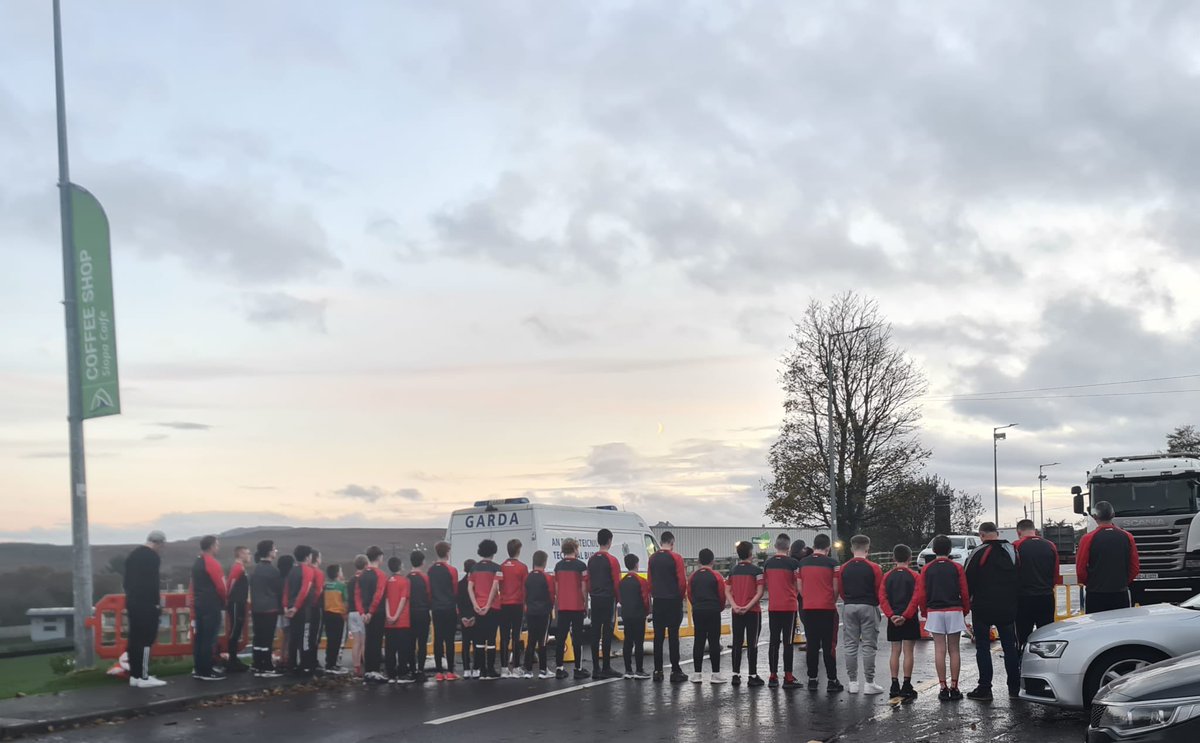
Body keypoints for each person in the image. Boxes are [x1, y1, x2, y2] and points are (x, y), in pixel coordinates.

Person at [964, 522, 1021, 701]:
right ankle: (1014, 687)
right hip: (1007, 606)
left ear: (981, 535)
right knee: (1010, 647)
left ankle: (985, 688)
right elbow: (1019, 574)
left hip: (982, 607)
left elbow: (967, 579)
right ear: (997, 533)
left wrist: (968, 602)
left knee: (982, 647)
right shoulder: (1012, 551)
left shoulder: (977, 552)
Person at [921, 534, 970, 702]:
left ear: (934, 550)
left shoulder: (927, 569)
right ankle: (955, 687)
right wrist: (965, 610)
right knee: (954, 649)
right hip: (954, 609)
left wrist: (924, 612)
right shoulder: (957, 568)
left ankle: (943, 687)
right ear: (950, 550)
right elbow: (964, 591)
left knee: (939, 649)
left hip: (934, 610)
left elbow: (922, 592)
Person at [1077, 501, 1140, 613]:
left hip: (1095, 594)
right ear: (1113, 515)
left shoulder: (1088, 538)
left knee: (1097, 623)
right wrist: (1123, 582)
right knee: (1121, 623)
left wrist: (1091, 583)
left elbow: (1080, 569)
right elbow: (1134, 567)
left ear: (1095, 517)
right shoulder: (1127, 536)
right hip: (1120, 593)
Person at [840, 534, 884, 695]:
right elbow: (879, 589)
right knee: (868, 645)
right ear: (867, 548)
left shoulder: (844, 567)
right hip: (868, 605)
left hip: (849, 605)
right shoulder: (874, 568)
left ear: (852, 548)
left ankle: (853, 682)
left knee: (850, 645)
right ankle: (869, 682)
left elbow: (841, 590)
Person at [799, 533, 843, 692]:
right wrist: (832, 600)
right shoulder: (833, 563)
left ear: (813, 546)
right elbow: (836, 587)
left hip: (808, 608)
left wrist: (807, 598)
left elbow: (799, 586)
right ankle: (832, 679)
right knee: (829, 645)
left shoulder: (802, 563)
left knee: (812, 644)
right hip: (827, 608)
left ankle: (812, 679)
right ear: (828, 548)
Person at [879, 544, 922, 701]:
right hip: (909, 617)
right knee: (908, 652)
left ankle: (894, 684)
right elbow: (917, 597)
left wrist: (891, 615)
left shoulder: (887, 576)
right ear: (910, 558)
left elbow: (882, 597)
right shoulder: (915, 576)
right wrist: (906, 615)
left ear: (893, 558)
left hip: (893, 617)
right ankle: (906, 684)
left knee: (895, 651)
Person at [124, 530, 167, 688]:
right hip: (146, 604)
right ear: (159, 543)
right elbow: (152, 583)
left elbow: (127, 582)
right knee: (146, 639)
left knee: (134, 639)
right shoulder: (152, 557)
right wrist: (156, 603)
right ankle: (143, 676)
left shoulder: (133, 555)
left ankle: (135, 675)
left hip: (132, 602)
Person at [647, 531, 688, 682]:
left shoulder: (652, 558)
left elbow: (650, 581)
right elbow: (682, 581)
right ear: (672, 543)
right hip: (673, 600)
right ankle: (675, 670)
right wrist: (680, 596)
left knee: (658, 637)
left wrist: (654, 594)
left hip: (658, 600)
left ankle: (658, 670)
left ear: (660, 542)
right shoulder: (676, 558)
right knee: (673, 636)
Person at [1014, 519, 1060, 648]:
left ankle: (1023, 657)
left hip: (1024, 598)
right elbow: (1056, 571)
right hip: (1046, 596)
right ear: (1035, 530)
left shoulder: (1016, 546)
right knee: (1047, 635)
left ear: (1019, 532)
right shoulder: (1050, 545)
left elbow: (1013, 572)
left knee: (1023, 635)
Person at [764, 533, 802, 689]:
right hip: (789, 606)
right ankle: (788, 676)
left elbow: (766, 584)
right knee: (788, 642)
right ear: (788, 547)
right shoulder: (793, 563)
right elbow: (798, 584)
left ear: (775, 546)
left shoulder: (768, 563)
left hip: (773, 606)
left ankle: (773, 676)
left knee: (774, 641)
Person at [727, 540, 765, 687]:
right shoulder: (757, 571)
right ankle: (752, 675)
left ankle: (735, 674)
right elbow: (759, 592)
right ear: (750, 553)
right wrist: (748, 606)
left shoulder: (733, 571)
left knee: (737, 642)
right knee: (752, 643)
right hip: (752, 611)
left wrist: (734, 605)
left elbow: (727, 590)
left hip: (736, 611)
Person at [587, 528, 623, 679]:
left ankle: (596, 668)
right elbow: (616, 582)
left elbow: (588, 580)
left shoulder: (591, 559)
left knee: (595, 632)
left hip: (595, 598)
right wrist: (618, 598)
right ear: (609, 541)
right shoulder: (612, 560)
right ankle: (606, 666)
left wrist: (592, 593)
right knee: (607, 632)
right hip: (608, 598)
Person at [191, 535, 228, 681]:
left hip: (200, 603)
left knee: (200, 638)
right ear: (212, 546)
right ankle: (207, 670)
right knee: (209, 638)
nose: (218, 548)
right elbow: (221, 586)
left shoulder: (197, 562)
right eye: (217, 545)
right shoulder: (212, 562)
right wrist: (224, 600)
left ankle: (199, 668)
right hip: (211, 604)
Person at [688, 548, 728, 684]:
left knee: (698, 640)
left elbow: (689, 593)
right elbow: (722, 594)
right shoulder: (716, 576)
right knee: (714, 641)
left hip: (698, 610)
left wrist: (695, 605)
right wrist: (720, 607)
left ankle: (697, 674)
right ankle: (715, 674)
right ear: (713, 561)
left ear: (699, 561)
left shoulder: (693, 576)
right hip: (713, 610)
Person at [553, 538, 589, 680]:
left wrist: (558, 604)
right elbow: (584, 588)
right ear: (575, 549)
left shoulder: (558, 566)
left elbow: (556, 588)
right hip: (577, 606)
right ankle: (578, 668)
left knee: (561, 638)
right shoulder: (581, 566)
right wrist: (585, 604)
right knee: (577, 638)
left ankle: (559, 668)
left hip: (563, 606)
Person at [470, 539, 504, 679]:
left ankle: (481, 670)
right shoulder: (497, 568)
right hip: (493, 607)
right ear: (493, 551)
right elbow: (495, 587)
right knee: (491, 639)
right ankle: (490, 669)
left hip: (478, 607)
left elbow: (469, 588)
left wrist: (475, 604)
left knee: (479, 640)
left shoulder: (474, 568)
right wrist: (488, 605)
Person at [283, 545, 318, 675]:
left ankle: (291, 665)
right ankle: (305, 665)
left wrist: (286, 606)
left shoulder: (292, 570)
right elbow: (305, 590)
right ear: (308, 556)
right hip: (302, 609)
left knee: (294, 636)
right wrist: (296, 607)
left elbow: (286, 590)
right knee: (304, 637)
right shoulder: (307, 570)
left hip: (291, 608)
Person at [249, 540, 283, 678]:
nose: (276, 551)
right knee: (267, 638)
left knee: (258, 637)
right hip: (270, 608)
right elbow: (278, 590)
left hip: (256, 608)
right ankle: (267, 666)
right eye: (274, 549)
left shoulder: (255, 569)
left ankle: (257, 663)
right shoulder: (273, 571)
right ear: (269, 552)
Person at [355, 545, 388, 682]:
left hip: (365, 614)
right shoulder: (380, 574)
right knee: (376, 641)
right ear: (379, 557)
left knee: (368, 641)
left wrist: (362, 613)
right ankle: (375, 670)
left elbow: (357, 595)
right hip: (377, 612)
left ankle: (368, 671)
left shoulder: (362, 574)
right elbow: (379, 594)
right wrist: (371, 612)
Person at [428, 542, 460, 681]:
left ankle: (439, 672)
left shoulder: (431, 570)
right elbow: (455, 589)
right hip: (449, 607)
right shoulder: (452, 570)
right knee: (449, 640)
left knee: (438, 639)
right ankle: (450, 671)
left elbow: (429, 590)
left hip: (436, 607)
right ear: (447, 552)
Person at [523, 550, 557, 679]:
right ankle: (543, 670)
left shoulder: (528, 577)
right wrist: (550, 606)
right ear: (545, 562)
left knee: (531, 640)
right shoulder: (547, 577)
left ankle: (528, 670)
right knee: (542, 640)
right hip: (543, 612)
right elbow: (551, 594)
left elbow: (524, 593)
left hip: (531, 611)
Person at [617, 553, 651, 680]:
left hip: (626, 614)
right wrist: (647, 611)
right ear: (636, 564)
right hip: (638, 614)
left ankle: (628, 670)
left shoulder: (622, 582)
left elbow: (620, 598)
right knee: (639, 642)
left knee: (628, 641)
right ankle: (639, 670)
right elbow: (645, 599)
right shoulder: (641, 581)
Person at [498, 539, 529, 678]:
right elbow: (525, 588)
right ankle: (516, 667)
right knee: (516, 636)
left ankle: (504, 668)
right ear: (518, 551)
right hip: (517, 604)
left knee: (504, 636)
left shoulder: (501, 566)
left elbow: (499, 585)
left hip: (504, 603)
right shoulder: (522, 567)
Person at [384, 556, 413, 683]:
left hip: (388, 622)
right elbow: (403, 599)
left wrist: (389, 615)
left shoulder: (387, 581)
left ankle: (390, 674)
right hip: (402, 621)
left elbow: (386, 599)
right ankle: (402, 674)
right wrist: (396, 616)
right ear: (400, 566)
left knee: (390, 649)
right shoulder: (405, 581)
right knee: (402, 649)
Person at [223, 545, 252, 673]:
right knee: (234, 630)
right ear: (240, 554)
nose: (249, 556)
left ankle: (234, 659)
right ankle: (232, 661)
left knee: (237, 630)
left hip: (239, 602)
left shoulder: (241, 568)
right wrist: (228, 598)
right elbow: (230, 583)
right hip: (235, 603)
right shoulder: (238, 568)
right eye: (247, 553)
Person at [407, 550, 432, 682]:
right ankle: (421, 670)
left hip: (410, 613)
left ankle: (412, 670)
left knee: (411, 643)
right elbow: (429, 594)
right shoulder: (425, 578)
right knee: (422, 643)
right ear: (423, 562)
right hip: (423, 612)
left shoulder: (407, 578)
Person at [323, 563, 350, 674]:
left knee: (330, 640)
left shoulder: (326, 586)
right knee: (337, 640)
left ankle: (328, 663)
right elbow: (346, 601)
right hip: (338, 615)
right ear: (338, 573)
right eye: (341, 571)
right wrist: (345, 614)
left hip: (327, 614)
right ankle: (333, 664)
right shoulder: (342, 586)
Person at [346, 555, 368, 677]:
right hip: (361, 612)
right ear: (365, 565)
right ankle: (366, 667)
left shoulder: (351, 580)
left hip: (351, 613)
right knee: (364, 642)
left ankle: (356, 668)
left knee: (356, 642)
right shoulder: (364, 579)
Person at [458, 559, 478, 678]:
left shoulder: (460, 584)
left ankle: (466, 669)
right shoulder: (477, 584)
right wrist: (475, 616)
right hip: (475, 616)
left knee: (465, 644)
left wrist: (462, 618)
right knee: (476, 643)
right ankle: (476, 668)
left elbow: (459, 603)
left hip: (464, 618)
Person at [276, 554, 295, 671]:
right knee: (289, 635)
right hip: (287, 609)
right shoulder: (288, 579)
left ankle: (282, 657)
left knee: (285, 635)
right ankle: (286, 658)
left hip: (278, 610)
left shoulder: (277, 578)